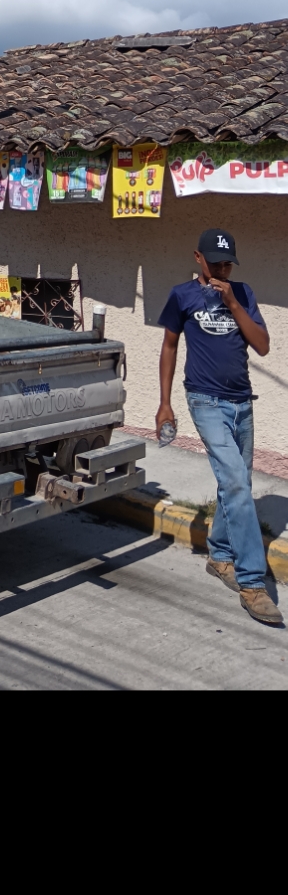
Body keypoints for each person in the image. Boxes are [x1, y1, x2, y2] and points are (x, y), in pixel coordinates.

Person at [157, 227, 282, 628]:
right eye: (216, 263)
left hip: (242, 403)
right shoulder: (183, 295)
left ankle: (219, 554)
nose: (222, 269)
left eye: (228, 263)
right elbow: (170, 347)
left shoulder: (242, 293)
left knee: (236, 481)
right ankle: (252, 584)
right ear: (198, 259)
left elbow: (261, 345)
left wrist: (232, 301)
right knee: (236, 483)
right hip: (205, 402)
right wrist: (164, 404)